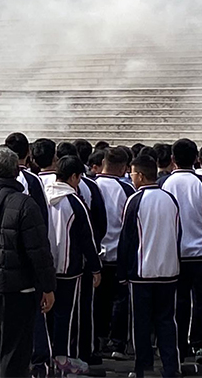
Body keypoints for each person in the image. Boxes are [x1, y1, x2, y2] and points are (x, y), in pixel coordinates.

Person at [0, 146, 56, 378]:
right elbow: (39, 251)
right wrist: (48, 286)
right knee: (15, 350)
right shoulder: (26, 204)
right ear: (17, 172)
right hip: (19, 288)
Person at [118, 154, 181, 378]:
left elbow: (126, 238)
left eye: (133, 173)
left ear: (141, 176)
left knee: (141, 322)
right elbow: (178, 232)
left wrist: (122, 272)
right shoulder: (170, 199)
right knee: (167, 320)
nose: (131, 177)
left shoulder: (135, 200)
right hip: (168, 270)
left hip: (142, 272)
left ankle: (142, 367)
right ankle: (171, 366)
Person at [159, 138, 202, 360]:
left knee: (178, 304)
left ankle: (179, 350)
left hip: (174, 254)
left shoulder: (163, 183)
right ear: (196, 159)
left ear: (172, 159)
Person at [44, 156, 102, 374]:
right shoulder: (74, 202)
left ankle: (46, 356)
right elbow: (87, 238)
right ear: (74, 177)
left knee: (45, 312)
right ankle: (63, 357)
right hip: (69, 267)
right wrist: (95, 267)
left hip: (46, 265)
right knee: (66, 315)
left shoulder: (42, 196)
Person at [93, 147, 136, 359]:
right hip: (119, 252)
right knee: (120, 299)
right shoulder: (126, 189)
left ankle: (97, 338)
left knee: (98, 299)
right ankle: (118, 343)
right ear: (123, 167)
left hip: (96, 254)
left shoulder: (90, 185)